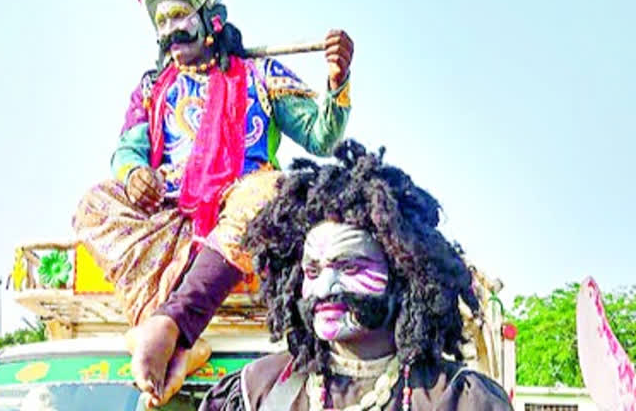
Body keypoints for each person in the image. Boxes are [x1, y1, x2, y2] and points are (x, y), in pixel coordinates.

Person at [73, 0, 354, 406]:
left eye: (179, 17)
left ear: (212, 16)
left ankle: (170, 325)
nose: (169, 33)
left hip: (240, 215)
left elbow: (321, 136)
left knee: (270, 189)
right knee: (93, 204)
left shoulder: (260, 77)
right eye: (160, 24)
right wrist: (135, 173)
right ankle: (177, 332)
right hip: (170, 216)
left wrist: (337, 81)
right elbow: (127, 149)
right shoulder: (153, 89)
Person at [200, 140, 514, 410]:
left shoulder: (457, 398)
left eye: (350, 268)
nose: (324, 289)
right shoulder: (258, 390)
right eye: (312, 271)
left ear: (402, 275)